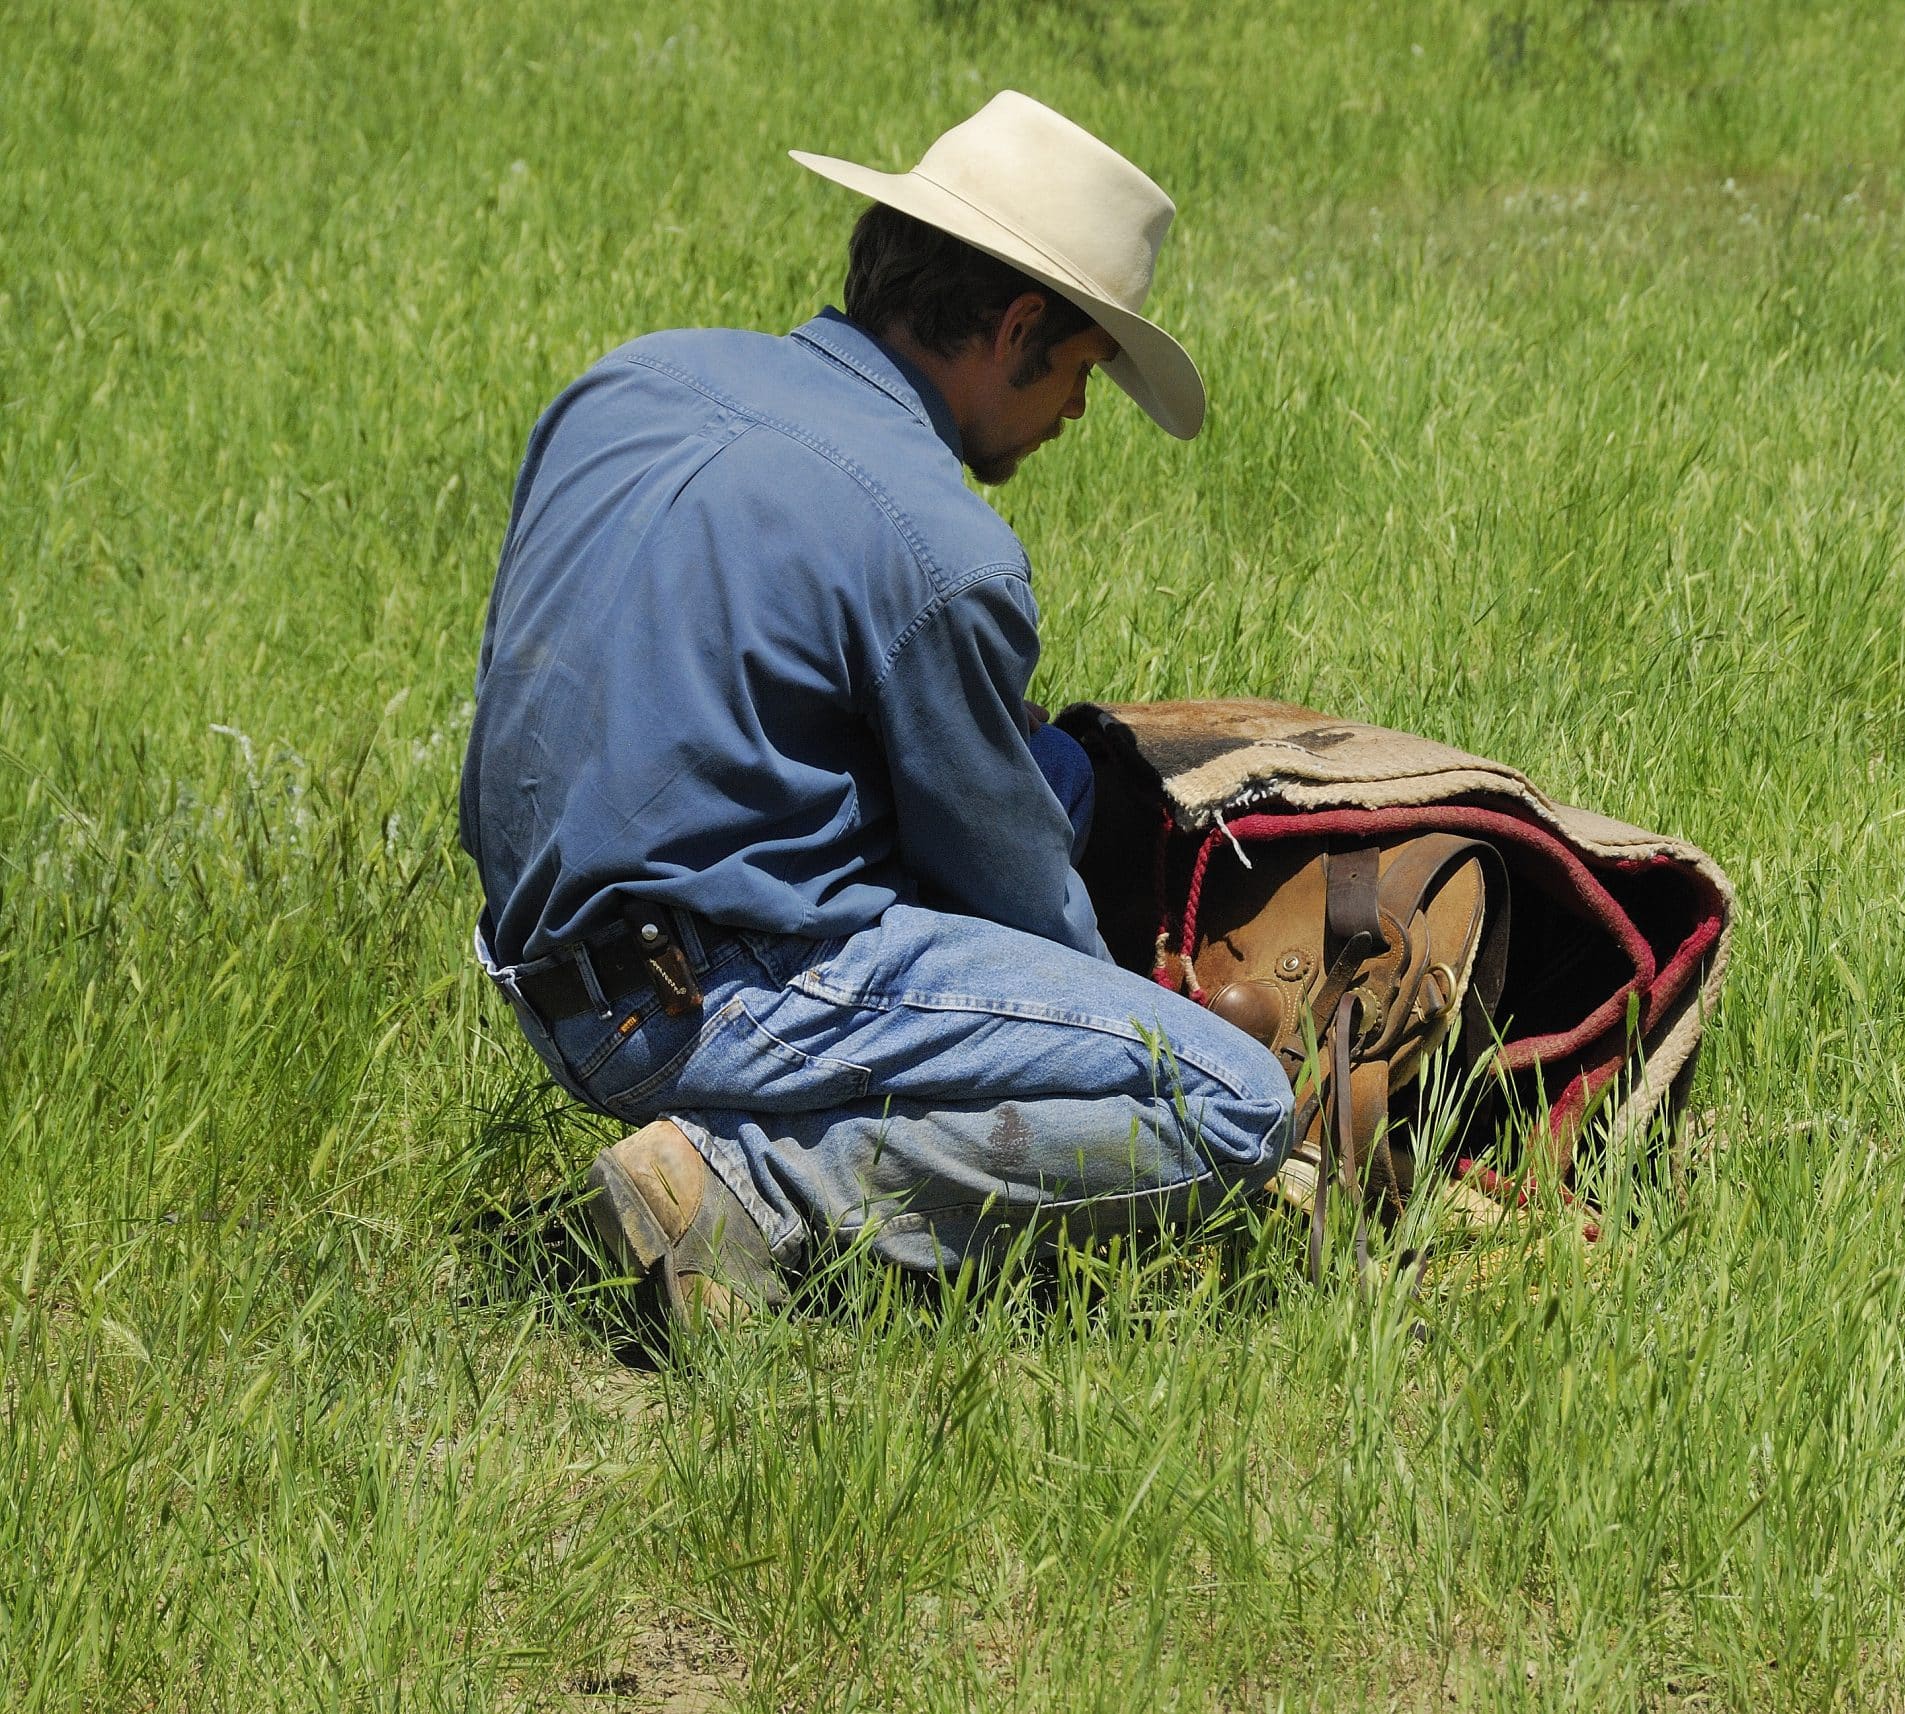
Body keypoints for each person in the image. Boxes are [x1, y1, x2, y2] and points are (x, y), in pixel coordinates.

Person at [459, 92, 1294, 1332]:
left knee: (1054, 766)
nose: (1076, 411)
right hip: (706, 997)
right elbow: (1013, 893)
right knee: (1225, 1100)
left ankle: (708, 1155)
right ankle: (745, 1190)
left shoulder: (631, 379)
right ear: (1016, 328)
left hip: (545, 965)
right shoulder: (940, 544)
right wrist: (1123, 1024)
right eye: (1081, 370)